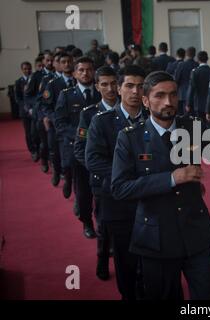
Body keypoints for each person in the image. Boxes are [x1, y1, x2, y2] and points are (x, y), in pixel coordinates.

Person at [110, 71, 210, 300]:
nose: (168, 102)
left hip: (195, 229)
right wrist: (172, 178)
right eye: (160, 95)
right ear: (145, 100)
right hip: (155, 235)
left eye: (173, 95)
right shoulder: (130, 137)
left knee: (209, 296)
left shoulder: (193, 127)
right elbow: (120, 188)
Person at [86, 65, 148, 300]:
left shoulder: (153, 118)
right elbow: (93, 160)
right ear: (119, 89)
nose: (135, 91)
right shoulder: (102, 122)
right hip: (118, 200)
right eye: (129, 86)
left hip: (150, 199)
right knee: (126, 259)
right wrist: (128, 178)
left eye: (140, 86)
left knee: (152, 257)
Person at [74, 66, 120, 281]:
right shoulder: (89, 114)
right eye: (104, 84)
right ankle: (102, 259)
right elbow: (80, 150)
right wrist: (97, 169)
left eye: (113, 84)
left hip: (130, 180)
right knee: (104, 225)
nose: (110, 88)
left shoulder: (129, 109)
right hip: (102, 180)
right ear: (97, 86)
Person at [55, 57, 101, 238]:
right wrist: (85, 135)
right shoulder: (66, 95)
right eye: (81, 70)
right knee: (83, 193)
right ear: (74, 73)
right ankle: (87, 222)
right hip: (78, 151)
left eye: (89, 69)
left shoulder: (101, 94)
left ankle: (103, 225)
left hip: (100, 151)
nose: (85, 73)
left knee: (103, 192)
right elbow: (60, 123)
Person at [42, 52, 75, 187]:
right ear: (59, 65)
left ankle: (71, 180)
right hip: (57, 125)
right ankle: (59, 173)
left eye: (69, 61)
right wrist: (55, 119)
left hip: (73, 125)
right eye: (63, 62)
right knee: (56, 153)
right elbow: (46, 106)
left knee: (72, 158)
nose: (67, 64)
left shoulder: (77, 81)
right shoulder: (53, 84)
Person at [185, 51, 210, 122]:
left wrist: (188, 103)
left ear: (197, 59)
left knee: (197, 127)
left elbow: (191, 89)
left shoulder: (194, 72)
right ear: (207, 58)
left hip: (198, 104)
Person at [174, 47, 198, 115]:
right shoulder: (197, 65)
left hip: (183, 95)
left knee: (185, 116)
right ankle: (196, 126)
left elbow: (176, 79)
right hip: (195, 95)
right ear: (194, 54)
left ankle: (186, 126)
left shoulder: (181, 65)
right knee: (195, 117)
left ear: (186, 54)